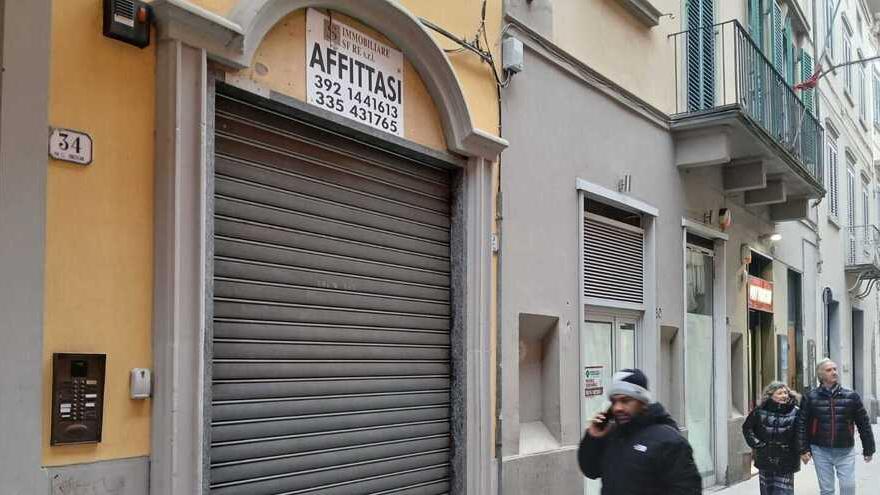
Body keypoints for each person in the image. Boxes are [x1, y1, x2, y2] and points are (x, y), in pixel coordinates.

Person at [577, 368, 702, 494]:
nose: (617, 408)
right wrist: (592, 438)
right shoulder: (613, 435)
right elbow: (591, 470)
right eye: (614, 402)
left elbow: (688, 490)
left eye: (625, 401)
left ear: (643, 402)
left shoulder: (669, 440)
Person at [797, 358, 875, 495]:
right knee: (827, 490)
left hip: (845, 449)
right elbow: (802, 424)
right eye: (829, 370)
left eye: (835, 369)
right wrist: (803, 449)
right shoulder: (810, 397)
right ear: (821, 375)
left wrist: (868, 448)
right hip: (820, 450)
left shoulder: (851, 396)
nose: (834, 372)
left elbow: (864, 424)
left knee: (848, 487)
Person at [742, 381, 801, 494]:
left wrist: (802, 450)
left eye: (785, 393)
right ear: (770, 395)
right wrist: (758, 444)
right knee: (767, 491)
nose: (784, 396)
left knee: (784, 491)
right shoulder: (759, 411)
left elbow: (801, 433)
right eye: (779, 393)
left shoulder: (796, 412)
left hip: (786, 459)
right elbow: (747, 428)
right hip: (765, 457)